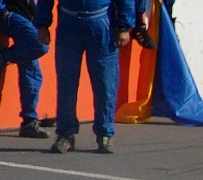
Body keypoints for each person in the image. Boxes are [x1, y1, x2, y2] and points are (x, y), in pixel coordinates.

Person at [34, 0, 131, 154]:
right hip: (69, 24)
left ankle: (105, 133)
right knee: (67, 84)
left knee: (105, 84)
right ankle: (66, 134)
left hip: (101, 23)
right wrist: (42, 25)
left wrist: (124, 26)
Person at [0, 0, 49, 138]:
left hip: (26, 12)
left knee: (32, 70)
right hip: (9, 13)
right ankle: (3, 56)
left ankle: (29, 121)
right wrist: (2, 11)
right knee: (38, 45)